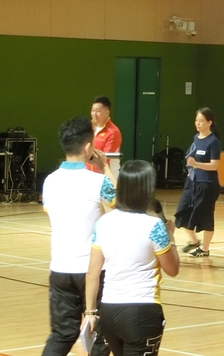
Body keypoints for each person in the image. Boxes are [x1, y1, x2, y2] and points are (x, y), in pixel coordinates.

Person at [83, 160, 180, 356]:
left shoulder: (103, 223)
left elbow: (93, 272)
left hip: (109, 310)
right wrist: (171, 236)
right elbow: (172, 269)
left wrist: (90, 312)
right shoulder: (154, 226)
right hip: (141, 312)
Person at [41, 117, 116, 356]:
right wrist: (105, 168)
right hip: (92, 270)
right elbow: (123, 206)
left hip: (60, 268)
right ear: (88, 147)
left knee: (61, 335)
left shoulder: (49, 181)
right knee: (101, 336)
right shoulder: (98, 181)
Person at [174, 108, 221, 258]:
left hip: (207, 184)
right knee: (182, 211)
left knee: (206, 216)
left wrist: (196, 165)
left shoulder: (213, 142)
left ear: (209, 122)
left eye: (201, 121)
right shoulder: (196, 138)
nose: (198, 123)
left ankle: (205, 249)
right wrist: (191, 169)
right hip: (192, 182)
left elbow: (214, 165)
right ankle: (194, 241)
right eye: (196, 120)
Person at [88, 95, 122, 178]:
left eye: (98, 111)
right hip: (89, 175)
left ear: (107, 112)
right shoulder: (88, 127)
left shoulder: (113, 132)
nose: (94, 114)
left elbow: (103, 159)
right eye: (93, 110)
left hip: (107, 176)